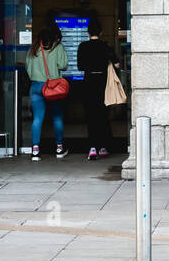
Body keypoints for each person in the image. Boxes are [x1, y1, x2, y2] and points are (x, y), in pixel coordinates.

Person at [76, 19, 120, 161]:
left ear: (88, 32)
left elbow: (80, 67)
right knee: (102, 116)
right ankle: (103, 147)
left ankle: (92, 148)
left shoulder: (82, 46)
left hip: (88, 83)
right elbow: (117, 64)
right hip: (103, 83)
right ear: (101, 32)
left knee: (91, 116)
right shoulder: (105, 46)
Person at [25, 24, 69, 160]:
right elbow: (63, 65)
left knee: (37, 118)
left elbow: (27, 67)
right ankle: (59, 149)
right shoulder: (58, 47)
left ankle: (35, 150)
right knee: (57, 117)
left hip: (36, 86)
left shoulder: (33, 48)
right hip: (52, 86)